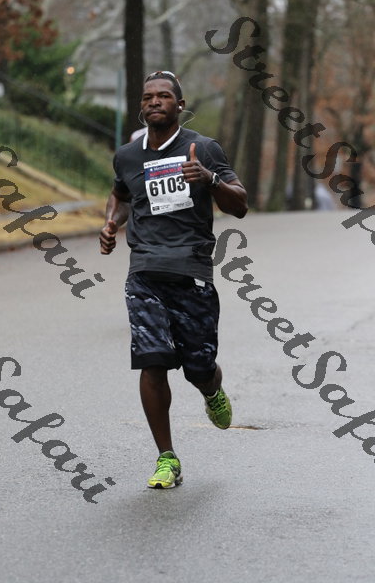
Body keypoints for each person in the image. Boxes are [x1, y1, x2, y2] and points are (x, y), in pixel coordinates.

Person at [100, 70, 248, 489]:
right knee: (152, 360)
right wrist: (111, 222)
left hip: (192, 271)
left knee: (198, 367)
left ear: (179, 106)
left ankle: (211, 389)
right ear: (141, 106)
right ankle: (167, 457)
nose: (155, 101)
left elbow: (240, 205)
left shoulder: (203, 148)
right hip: (144, 272)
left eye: (164, 96)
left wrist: (210, 179)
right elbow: (121, 194)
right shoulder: (128, 155)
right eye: (148, 96)